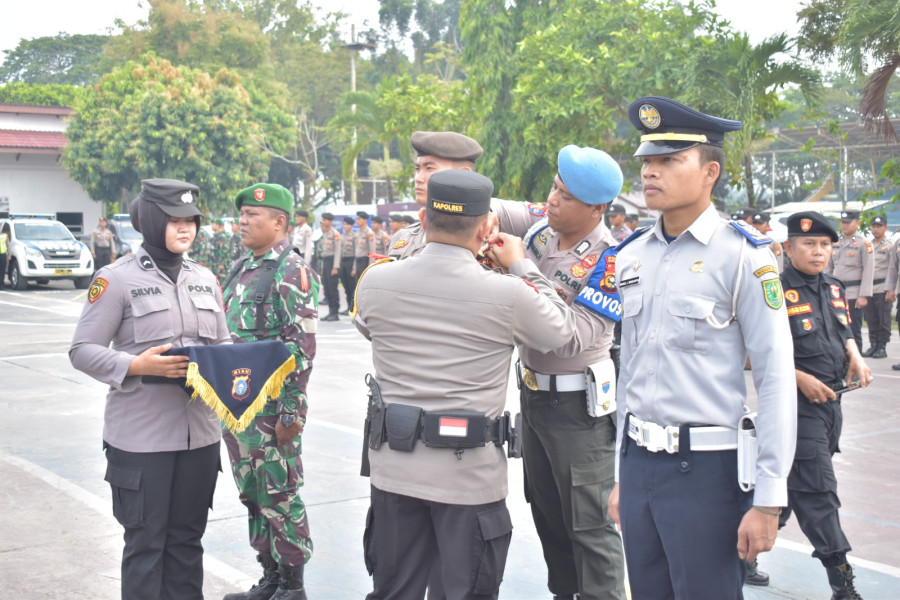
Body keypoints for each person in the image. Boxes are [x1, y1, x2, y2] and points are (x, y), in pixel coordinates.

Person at [353, 169, 577, 599]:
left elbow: (368, 327)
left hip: (394, 472)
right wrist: (520, 265)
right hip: (468, 478)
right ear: (487, 227)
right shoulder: (509, 294)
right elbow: (560, 331)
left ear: (423, 216)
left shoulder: (376, 282)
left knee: (393, 591)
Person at [609, 96, 797, 599]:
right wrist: (620, 473)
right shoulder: (632, 258)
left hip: (707, 475)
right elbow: (629, 371)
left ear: (710, 171)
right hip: (639, 465)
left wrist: (769, 498)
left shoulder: (744, 258)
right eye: (647, 161)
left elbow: (776, 378)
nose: (651, 173)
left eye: (669, 160)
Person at [69, 178, 229, 600]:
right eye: (174, 219)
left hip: (200, 436)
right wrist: (135, 365)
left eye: (191, 221)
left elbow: (223, 345)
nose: (185, 229)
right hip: (141, 439)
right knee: (146, 546)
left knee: (186, 542)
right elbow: (82, 350)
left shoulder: (205, 279)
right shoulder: (115, 279)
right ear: (153, 220)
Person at [490, 146, 627, 599]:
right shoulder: (542, 231)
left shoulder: (611, 261)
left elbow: (565, 337)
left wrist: (519, 267)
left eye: (564, 196)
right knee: (547, 513)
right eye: (553, 186)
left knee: (590, 524)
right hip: (533, 398)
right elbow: (489, 205)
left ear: (596, 209)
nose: (551, 199)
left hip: (578, 409)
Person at [221, 183, 319, 600]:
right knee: (253, 493)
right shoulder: (242, 267)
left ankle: (293, 586)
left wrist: (291, 414)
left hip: (273, 410)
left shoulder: (291, 271)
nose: (242, 221)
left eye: (253, 216)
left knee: (281, 493)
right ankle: (271, 577)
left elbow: (302, 349)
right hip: (240, 407)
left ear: (279, 222)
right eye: (241, 214)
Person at [779, 210, 871, 600]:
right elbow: (751, 351)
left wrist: (856, 356)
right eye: (809, 244)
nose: (819, 252)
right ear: (788, 247)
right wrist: (798, 377)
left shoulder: (833, 287)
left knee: (786, 486)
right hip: (795, 408)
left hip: (832, 404)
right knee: (818, 490)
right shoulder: (774, 290)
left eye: (825, 245)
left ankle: (738, 552)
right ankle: (842, 580)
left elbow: (844, 328)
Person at [388, 131, 484, 259]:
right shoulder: (402, 237)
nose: (418, 178)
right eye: (417, 169)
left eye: (429, 168)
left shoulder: (486, 239)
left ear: (464, 174)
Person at [827, 210, 873, 351]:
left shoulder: (863, 244)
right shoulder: (835, 242)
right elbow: (828, 268)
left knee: (853, 331)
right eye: (843, 222)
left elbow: (868, 270)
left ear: (857, 223)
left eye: (848, 222)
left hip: (853, 293)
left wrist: (863, 295)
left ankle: (857, 365)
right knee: (835, 329)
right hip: (835, 292)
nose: (845, 225)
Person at [862, 216, 892, 359]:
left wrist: (891, 289)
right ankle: (873, 344)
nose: (876, 229)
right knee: (871, 318)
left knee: (883, 319)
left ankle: (882, 346)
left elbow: (893, 268)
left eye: (879, 226)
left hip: (882, 287)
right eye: (874, 226)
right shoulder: (868, 245)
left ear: (885, 228)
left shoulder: (889, 246)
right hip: (869, 288)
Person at [316, 213, 342, 322]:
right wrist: (322, 267)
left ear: (330, 221)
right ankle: (330, 311)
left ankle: (335, 313)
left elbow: (338, 252)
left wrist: (335, 267)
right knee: (326, 287)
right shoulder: (325, 234)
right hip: (325, 262)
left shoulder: (335, 234)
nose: (323, 222)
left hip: (332, 262)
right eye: (323, 220)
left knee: (332, 288)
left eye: (326, 220)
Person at [338, 216, 356, 315]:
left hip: (351, 261)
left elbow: (356, 253)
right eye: (344, 224)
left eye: (347, 224)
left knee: (351, 286)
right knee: (345, 285)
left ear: (352, 226)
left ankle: (353, 307)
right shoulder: (342, 236)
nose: (345, 226)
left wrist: (354, 267)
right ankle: (348, 306)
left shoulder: (354, 236)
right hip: (343, 262)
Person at [209, 218, 232, 285]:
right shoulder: (214, 236)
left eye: (214, 224)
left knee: (222, 283)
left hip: (221, 265)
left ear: (218, 225)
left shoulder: (222, 236)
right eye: (212, 224)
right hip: (214, 264)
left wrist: (222, 263)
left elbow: (225, 250)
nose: (212, 225)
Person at [0, 224, 8, 289]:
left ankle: (1, 284)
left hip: (3, 255)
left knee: (2, 271)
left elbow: (8, 245)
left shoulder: (4, 236)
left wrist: (9, 255)